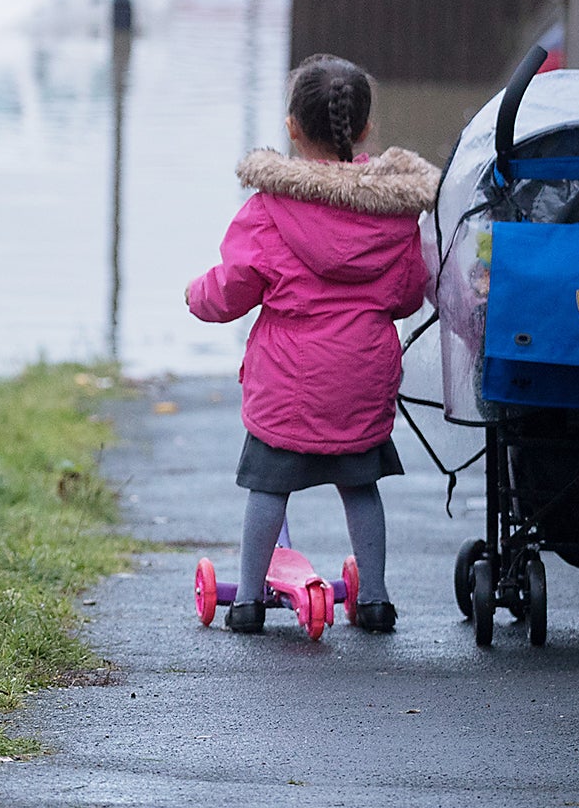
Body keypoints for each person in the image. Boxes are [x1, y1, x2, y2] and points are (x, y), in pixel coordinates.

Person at [185, 53, 438, 635]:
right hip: (361, 379)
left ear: (291, 129)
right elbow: (405, 295)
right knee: (361, 485)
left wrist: (197, 297)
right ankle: (374, 599)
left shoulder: (272, 209)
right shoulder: (396, 215)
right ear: (366, 129)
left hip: (289, 383)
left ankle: (247, 601)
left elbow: (234, 287)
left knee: (268, 486)